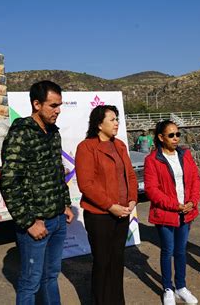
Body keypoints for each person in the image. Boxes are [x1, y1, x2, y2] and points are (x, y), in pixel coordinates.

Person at [0, 80, 74, 305]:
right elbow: (9, 182)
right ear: (36, 104)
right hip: (36, 224)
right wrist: (29, 222)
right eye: (53, 105)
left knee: (51, 276)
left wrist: (65, 203)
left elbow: (56, 172)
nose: (58, 110)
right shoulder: (21, 134)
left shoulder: (53, 133)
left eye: (59, 105)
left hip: (58, 220)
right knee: (30, 282)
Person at [75, 105, 138, 305]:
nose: (116, 122)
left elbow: (129, 175)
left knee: (117, 260)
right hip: (100, 215)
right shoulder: (86, 147)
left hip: (123, 211)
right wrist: (110, 205)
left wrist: (132, 198)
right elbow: (87, 184)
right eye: (112, 119)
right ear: (99, 124)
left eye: (117, 118)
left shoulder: (119, 145)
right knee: (102, 262)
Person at [144, 120, 200, 305]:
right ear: (161, 137)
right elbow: (152, 190)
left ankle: (181, 287)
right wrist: (175, 205)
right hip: (167, 213)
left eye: (178, 134)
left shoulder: (185, 155)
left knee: (181, 251)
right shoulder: (152, 160)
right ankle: (168, 288)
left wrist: (192, 201)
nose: (176, 138)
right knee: (167, 251)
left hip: (186, 211)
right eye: (171, 135)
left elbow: (194, 180)